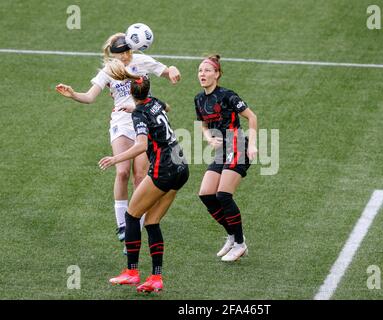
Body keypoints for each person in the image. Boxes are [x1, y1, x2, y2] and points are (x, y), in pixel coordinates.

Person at [55, 33, 181, 252]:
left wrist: (173, 70)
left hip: (143, 121)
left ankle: (135, 228)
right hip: (121, 124)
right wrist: (73, 94)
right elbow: (89, 97)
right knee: (122, 172)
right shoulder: (109, 71)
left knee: (140, 176)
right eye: (119, 54)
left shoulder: (141, 61)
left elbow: (165, 71)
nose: (123, 57)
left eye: (125, 52)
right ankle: (123, 225)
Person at [99, 63, 189, 293]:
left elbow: (141, 145)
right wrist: (140, 108)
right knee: (151, 222)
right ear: (147, 91)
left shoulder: (139, 113)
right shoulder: (156, 102)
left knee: (131, 216)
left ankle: (131, 272)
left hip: (164, 169)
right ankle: (156, 278)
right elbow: (165, 108)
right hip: (181, 166)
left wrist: (115, 158)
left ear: (131, 93)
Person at [194, 55, 258, 262]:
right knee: (205, 194)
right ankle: (232, 236)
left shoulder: (228, 95)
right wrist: (209, 139)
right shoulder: (199, 99)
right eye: (200, 71)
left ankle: (240, 244)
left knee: (223, 195)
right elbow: (203, 124)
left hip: (238, 145)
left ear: (217, 74)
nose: (202, 74)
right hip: (222, 150)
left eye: (207, 70)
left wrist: (254, 144)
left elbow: (252, 116)